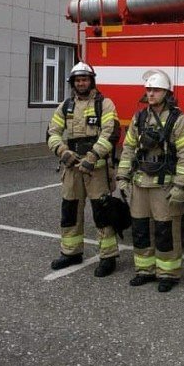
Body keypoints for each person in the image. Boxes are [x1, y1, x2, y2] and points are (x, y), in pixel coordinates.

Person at [116, 70, 184, 292]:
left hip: (164, 185)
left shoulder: (179, 120)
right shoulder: (139, 118)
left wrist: (180, 185)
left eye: (156, 90)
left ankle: (168, 273)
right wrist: (122, 177)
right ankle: (144, 270)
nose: (151, 94)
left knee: (165, 230)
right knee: (140, 229)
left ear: (167, 93)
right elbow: (128, 148)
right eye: (148, 90)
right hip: (140, 183)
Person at [47, 62, 120, 277]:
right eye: (78, 80)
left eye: (85, 79)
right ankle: (71, 252)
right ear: (73, 83)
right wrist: (63, 152)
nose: (81, 83)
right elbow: (52, 132)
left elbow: (111, 133)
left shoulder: (104, 104)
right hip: (72, 168)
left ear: (91, 81)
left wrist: (93, 156)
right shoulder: (66, 106)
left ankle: (108, 257)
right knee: (69, 210)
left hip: (96, 169)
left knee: (102, 212)